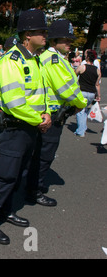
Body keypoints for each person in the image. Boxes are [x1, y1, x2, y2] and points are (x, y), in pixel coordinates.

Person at [0, 9, 52, 245]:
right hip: (14, 128)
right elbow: (14, 103)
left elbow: (42, 93)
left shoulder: (35, 59)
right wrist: (39, 120)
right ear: (27, 34)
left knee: (19, 173)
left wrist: (47, 112)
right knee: (4, 175)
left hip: (30, 127)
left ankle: (6, 210)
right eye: (41, 31)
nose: (45, 34)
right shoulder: (12, 61)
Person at [24, 19, 88, 207]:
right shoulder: (53, 60)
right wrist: (81, 103)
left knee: (39, 154)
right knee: (45, 155)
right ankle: (34, 191)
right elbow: (66, 88)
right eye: (65, 40)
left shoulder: (51, 58)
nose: (69, 43)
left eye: (70, 40)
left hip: (48, 113)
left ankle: (32, 186)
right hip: (53, 114)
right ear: (54, 41)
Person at [74, 50, 102, 137]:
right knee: (84, 110)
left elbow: (74, 77)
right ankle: (83, 127)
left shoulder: (82, 67)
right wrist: (98, 95)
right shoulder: (97, 70)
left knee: (80, 111)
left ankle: (81, 131)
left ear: (87, 58)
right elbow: (97, 84)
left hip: (82, 91)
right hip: (91, 93)